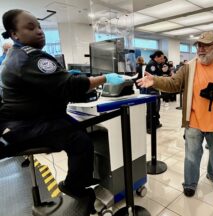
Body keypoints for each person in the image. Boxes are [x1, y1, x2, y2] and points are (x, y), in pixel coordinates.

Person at [0, 9, 125, 199]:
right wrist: (105, 78)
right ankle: (73, 186)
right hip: (25, 126)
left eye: (40, 27)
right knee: (80, 140)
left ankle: (81, 177)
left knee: (79, 129)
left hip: (25, 120)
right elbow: (70, 87)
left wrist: (71, 78)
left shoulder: (16, 54)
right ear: (14, 34)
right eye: (31, 27)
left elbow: (53, 83)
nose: (39, 31)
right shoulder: (30, 57)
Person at [137, 31, 213, 197]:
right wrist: (155, 81)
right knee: (192, 155)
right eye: (199, 45)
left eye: (205, 45)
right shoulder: (189, 66)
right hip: (194, 119)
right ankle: (190, 183)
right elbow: (174, 84)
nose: (201, 49)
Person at [142, 50, 165, 133]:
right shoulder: (152, 64)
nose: (162, 60)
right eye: (161, 58)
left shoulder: (156, 64)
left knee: (156, 108)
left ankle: (155, 123)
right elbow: (153, 77)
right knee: (151, 108)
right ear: (156, 57)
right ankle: (149, 127)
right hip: (151, 89)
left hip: (155, 88)